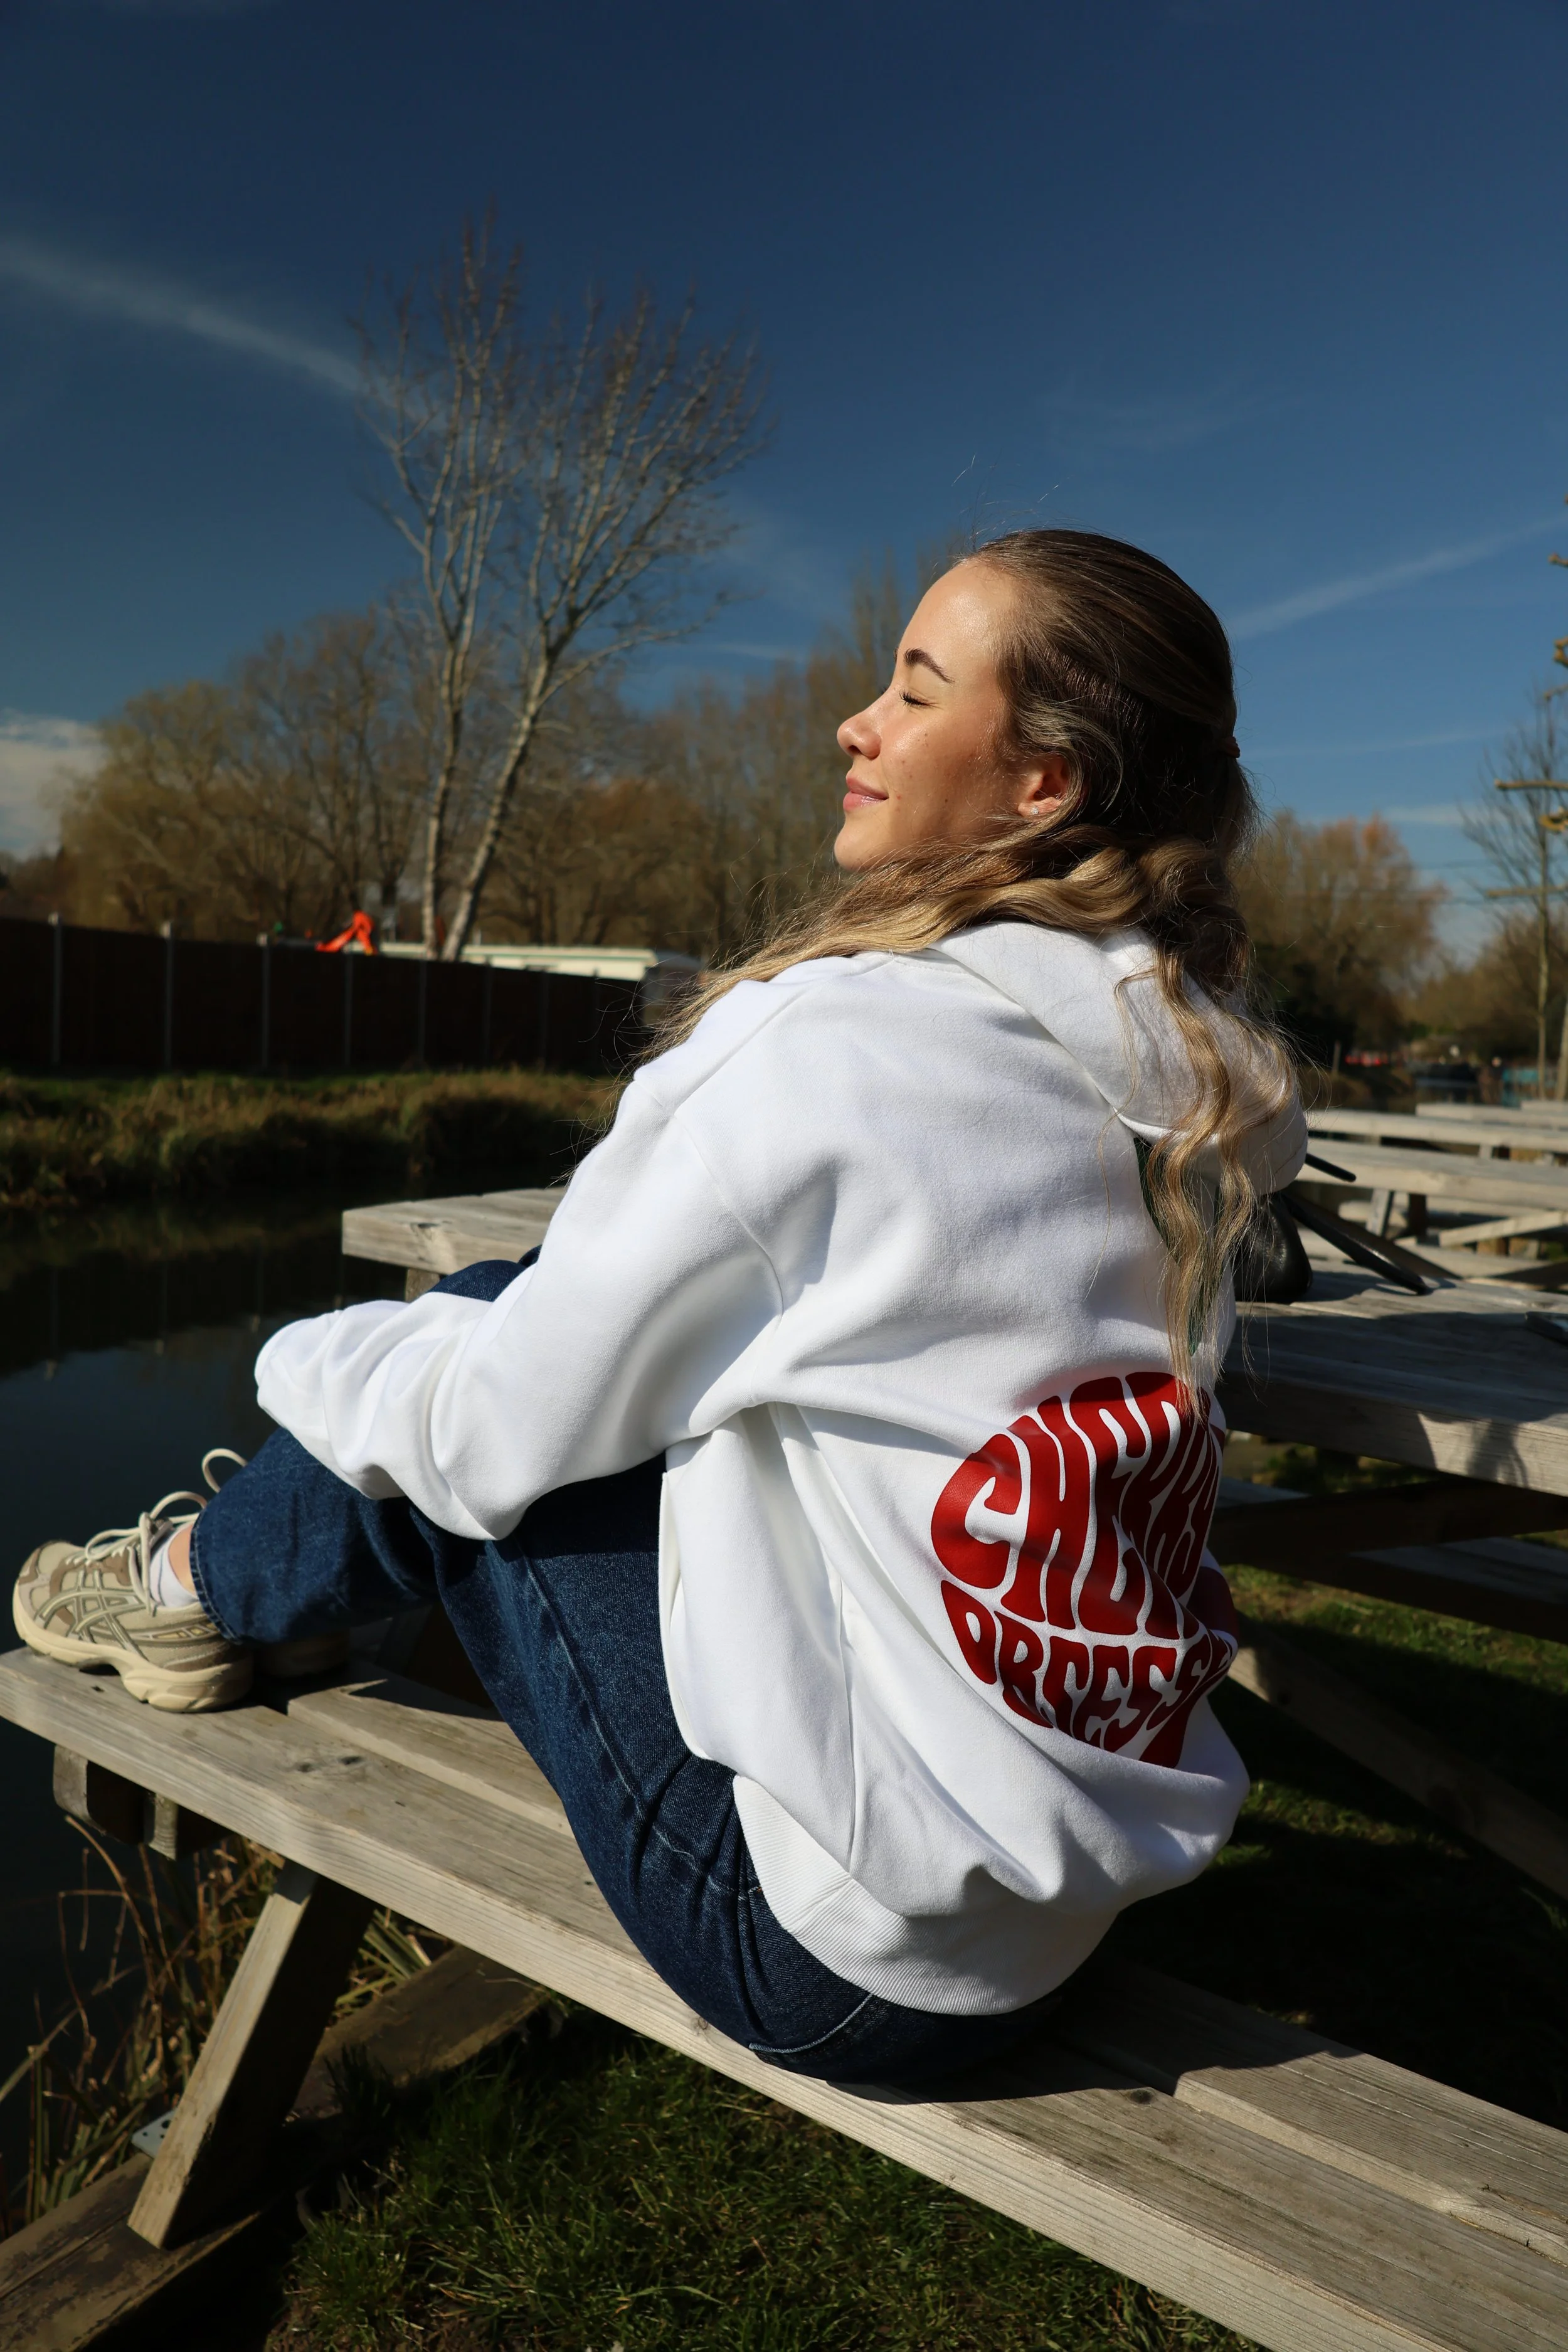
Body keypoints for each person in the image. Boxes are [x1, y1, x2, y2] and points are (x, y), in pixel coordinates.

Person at [14, 529, 1305, 2086]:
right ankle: (209, 1586)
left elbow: (496, 1440)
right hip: (1052, 1895)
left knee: (478, 1410)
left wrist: (307, 1354)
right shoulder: (1206, 1075)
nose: (856, 723)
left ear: (1040, 784)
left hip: (833, 1951)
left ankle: (183, 1586)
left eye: (912, 687)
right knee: (533, 1324)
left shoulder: (832, 1047)